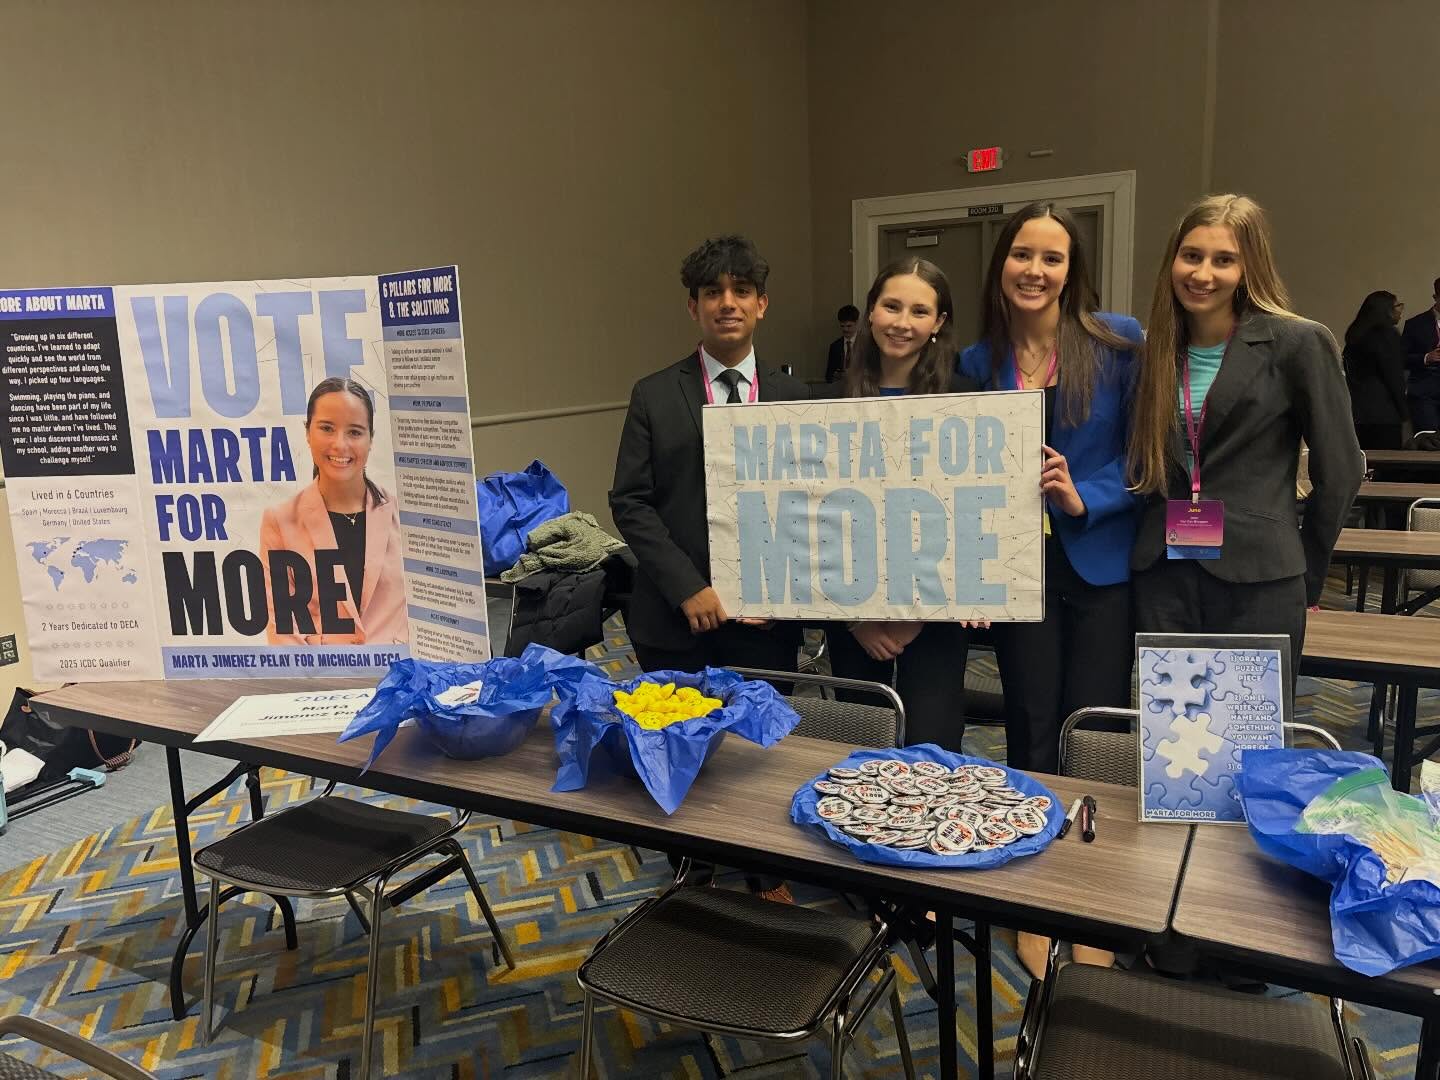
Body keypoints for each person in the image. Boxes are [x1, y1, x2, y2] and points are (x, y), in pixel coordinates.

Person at [958, 203, 1141, 979]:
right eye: (1022, 255)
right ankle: (1034, 900)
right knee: (1032, 723)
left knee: (1091, 730)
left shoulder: (1119, 341)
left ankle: (1088, 897)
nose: (1035, 270)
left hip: (1098, 558)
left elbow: (1147, 454)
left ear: (1074, 269)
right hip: (1015, 571)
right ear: (1001, 264)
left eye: (1053, 258)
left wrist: (1083, 496)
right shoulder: (975, 361)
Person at [610, 235, 808, 901]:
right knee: (680, 746)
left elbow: (814, 506)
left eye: (741, 291)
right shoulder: (653, 394)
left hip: (765, 616)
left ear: (762, 304)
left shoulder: (794, 396)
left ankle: (768, 875)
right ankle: (693, 875)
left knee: (754, 752)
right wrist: (689, 586)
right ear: (693, 307)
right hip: (675, 616)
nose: (729, 303)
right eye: (713, 293)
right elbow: (630, 503)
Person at [1128, 194, 1363, 670]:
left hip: (1260, 578)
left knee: (1249, 732)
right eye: (1191, 256)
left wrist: (1305, 569)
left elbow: (1340, 472)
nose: (1202, 274)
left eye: (1224, 260)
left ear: (1249, 266)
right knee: (1176, 736)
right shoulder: (1151, 351)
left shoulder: (1297, 343)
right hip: (1164, 576)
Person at [818, 258, 978, 753]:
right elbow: (814, 516)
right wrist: (856, 618)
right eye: (891, 306)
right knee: (859, 751)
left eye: (919, 311)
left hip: (936, 615)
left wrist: (916, 616)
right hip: (851, 611)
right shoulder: (825, 402)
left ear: (939, 322)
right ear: (870, 311)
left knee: (933, 749)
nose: (902, 323)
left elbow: (973, 515)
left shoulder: (969, 402)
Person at [260, 377, 408, 645]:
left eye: (354, 432)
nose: (340, 445)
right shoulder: (279, 520)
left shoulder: (406, 515)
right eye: (327, 428)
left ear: (370, 439)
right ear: (307, 433)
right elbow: (283, 629)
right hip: (323, 680)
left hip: (403, 679)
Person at [1343, 291, 1409, 451]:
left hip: (1356, 412)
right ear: (1386, 310)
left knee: (1363, 464)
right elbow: (1394, 378)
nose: (1400, 310)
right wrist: (1405, 413)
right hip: (1384, 414)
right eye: (1397, 305)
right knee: (1388, 466)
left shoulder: (1354, 335)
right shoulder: (1386, 335)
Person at [1401, 277, 1440, 433]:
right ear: (1435, 297)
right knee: (1428, 442)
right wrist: (1425, 357)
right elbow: (1400, 359)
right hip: (1425, 394)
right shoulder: (1415, 324)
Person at [825, 303, 861, 382]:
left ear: (857, 323)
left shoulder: (865, 343)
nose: (845, 330)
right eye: (842, 326)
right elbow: (828, 376)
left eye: (849, 326)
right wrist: (836, 376)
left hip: (861, 389)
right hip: (840, 390)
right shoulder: (835, 346)